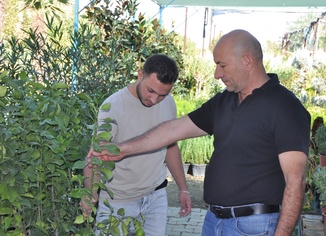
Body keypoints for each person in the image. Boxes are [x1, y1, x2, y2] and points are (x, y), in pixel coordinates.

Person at [90, 29, 311, 236]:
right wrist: (122, 148)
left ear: (246, 61)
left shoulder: (285, 107)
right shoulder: (224, 101)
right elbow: (174, 129)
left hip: (255, 225)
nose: (216, 74)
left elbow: (295, 181)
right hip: (214, 221)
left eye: (222, 65)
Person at [81, 54, 191, 236]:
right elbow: (96, 154)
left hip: (156, 197)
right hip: (117, 200)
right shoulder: (113, 106)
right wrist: (90, 192)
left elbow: (170, 147)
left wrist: (184, 188)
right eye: (150, 90)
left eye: (162, 95)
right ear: (140, 74)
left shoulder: (169, 103)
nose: (154, 100)